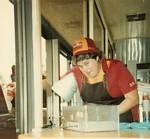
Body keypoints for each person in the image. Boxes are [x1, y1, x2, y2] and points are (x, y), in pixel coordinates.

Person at [57, 37, 139, 122]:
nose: (85, 70)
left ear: (97, 58)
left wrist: (108, 115)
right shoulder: (76, 72)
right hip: (95, 124)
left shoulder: (116, 68)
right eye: (81, 66)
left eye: (87, 63)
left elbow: (133, 99)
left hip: (123, 124)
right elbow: (55, 90)